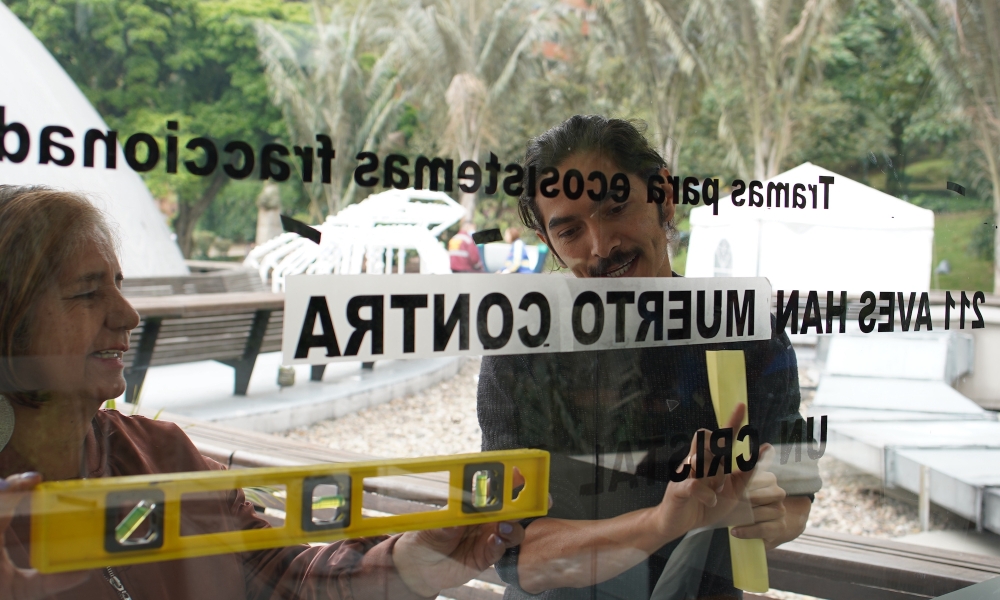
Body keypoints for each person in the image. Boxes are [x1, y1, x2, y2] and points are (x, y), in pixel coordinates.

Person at [0, 185, 524, 600]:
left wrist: (413, 561)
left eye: (120, 283)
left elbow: (279, 579)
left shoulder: (164, 457)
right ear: (10, 319)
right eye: (88, 292)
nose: (128, 314)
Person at [477, 116, 821, 599]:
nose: (601, 246)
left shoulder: (745, 327)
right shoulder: (525, 347)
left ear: (662, 193)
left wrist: (774, 515)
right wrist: (660, 522)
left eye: (615, 207)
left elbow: (795, 492)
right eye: (571, 230)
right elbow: (515, 558)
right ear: (548, 244)